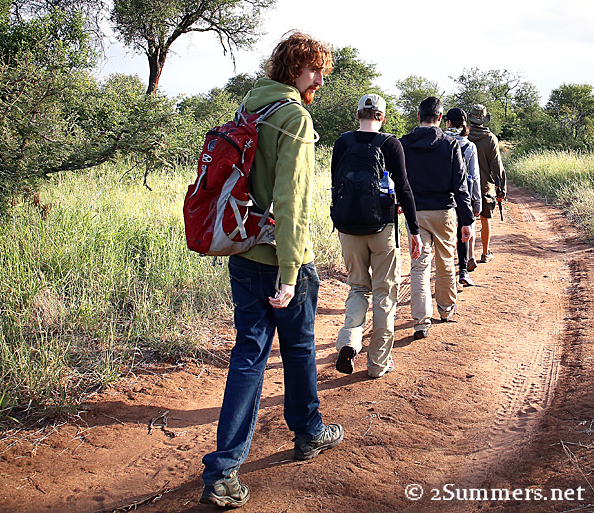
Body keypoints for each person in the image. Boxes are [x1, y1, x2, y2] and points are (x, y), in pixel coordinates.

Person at [201, 31, 342, 509]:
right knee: (299, 349)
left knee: (248, 356)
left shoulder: (250, 110)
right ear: (292, 70)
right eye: (313, 70)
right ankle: (309, 433)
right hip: (284, 260)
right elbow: (294, 201)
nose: (320, 79)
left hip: (242, 254)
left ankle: (223, 472)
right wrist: (289, 270)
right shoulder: (294, 119)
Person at [331, 94, 421, 379]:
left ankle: (348, 341)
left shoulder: (342, 142)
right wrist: (415, 231)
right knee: (384, 293)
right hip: (382, 228)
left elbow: (335, 184)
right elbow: (404, 188)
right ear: (381, 116)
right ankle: (378, 363)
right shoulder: (391, 144)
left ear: (358, 114)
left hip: (348, 228)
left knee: (358, 288)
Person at [400, 97, 474, 338]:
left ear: (418, 116)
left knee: (419, 266)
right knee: (445, 262)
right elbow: (460, 186)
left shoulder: (404, 144)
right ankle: (445, 309)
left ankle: (421, 321)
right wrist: (467, 220)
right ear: (440, 118)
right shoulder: (451, 145)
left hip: (415, 213)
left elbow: (398, 182)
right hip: (444, 212)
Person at [444, 108, 481, 287]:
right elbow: (474, 175)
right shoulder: (469, 146)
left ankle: (447, 271)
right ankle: (463, 271)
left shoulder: (442, 141)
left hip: (444, 195)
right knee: (463, 232)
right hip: (464, 194)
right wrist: (477, 201)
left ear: (448, 123)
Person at [467, 103, 506, 264]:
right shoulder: (490, 138)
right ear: (484, 119)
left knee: (467, 221)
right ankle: (484, 253)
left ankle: (469, 256)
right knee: (485, 219)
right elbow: (497, 166)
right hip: (485, 186)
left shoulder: (465, 135)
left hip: (465, 185)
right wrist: (501, 189)